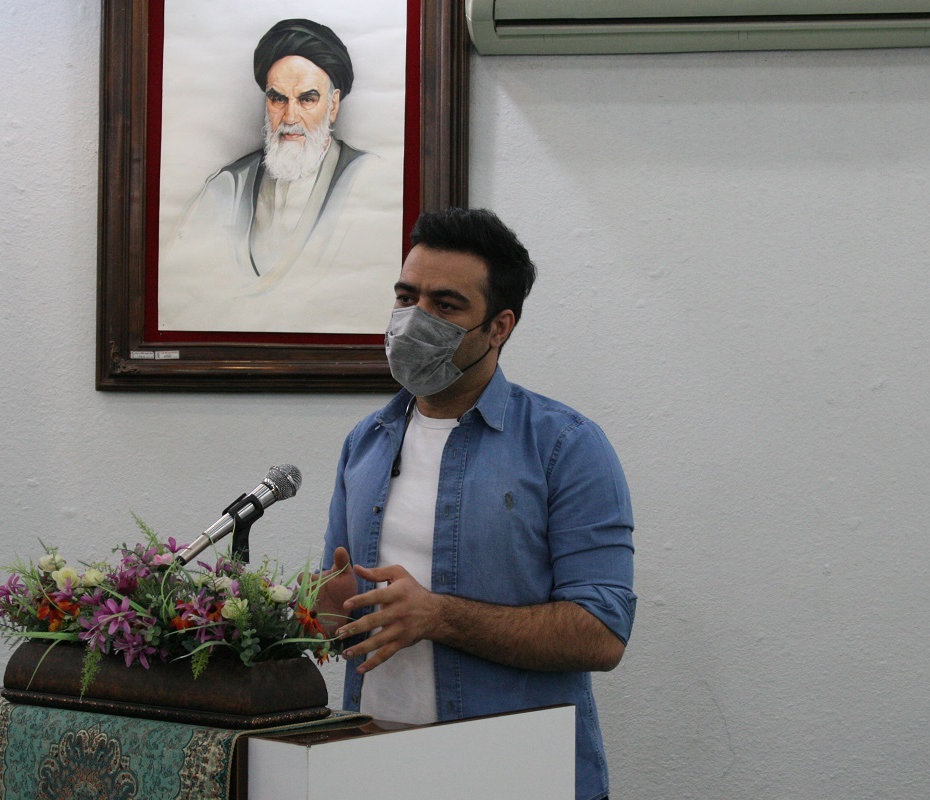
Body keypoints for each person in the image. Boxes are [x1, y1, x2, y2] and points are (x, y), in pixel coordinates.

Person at [318, 208, 636, 800]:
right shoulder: (366, 442)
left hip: (517, 776)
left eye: (445, 305)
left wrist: (438, 615)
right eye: (406, 297)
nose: (414, 320)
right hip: (374, 767)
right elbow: (340, 615)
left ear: (499, 327)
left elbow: (602, 632)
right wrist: (326, 616)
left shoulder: (566, 446)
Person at [159, 18, 393, 333]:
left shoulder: (367, 179)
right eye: (278, 99)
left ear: (333, 105)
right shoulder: (228, 186)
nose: (290, 116)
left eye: (307, 99)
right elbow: (179, 291)